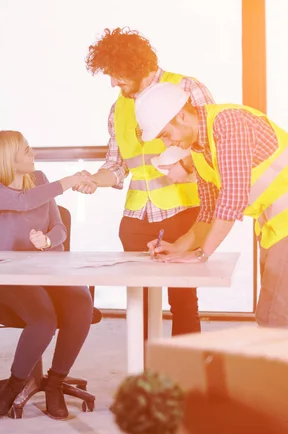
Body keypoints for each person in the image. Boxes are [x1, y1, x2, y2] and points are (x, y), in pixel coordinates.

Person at [80, 27, 216, 337]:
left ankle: (184, 377)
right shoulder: (119, 107)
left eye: (116, 74)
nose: (113, 82)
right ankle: (144, 377)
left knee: (183, 301)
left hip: (183, 211)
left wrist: (186, 167)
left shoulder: (185, 88)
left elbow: (210, 145)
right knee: (138, 305)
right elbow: (116, 165)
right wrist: (94, 180)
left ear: (135, 67)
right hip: (136, 218)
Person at [134, 82, 288, 328]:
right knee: (270, 318)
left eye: (165, 134)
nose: (167, 143)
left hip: (284, 224)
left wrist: (202, 253)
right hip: (274, 227)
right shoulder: (199, 151)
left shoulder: (229, 123)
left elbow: (233, 197)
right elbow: (207, 212)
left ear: (182, 116)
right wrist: (178, 248)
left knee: (278, 320)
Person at [0, 130, 94, 420]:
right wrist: (68, 182)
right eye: (26, 150)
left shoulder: (40, 179)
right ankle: (14, 384)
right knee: (44, 318)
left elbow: (60, 227)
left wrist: (47, 240)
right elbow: (24, 201)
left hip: (50, 270)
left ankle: (54, 383)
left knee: (82, 302)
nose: (33, 153)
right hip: (12, 276)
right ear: (9, 159)